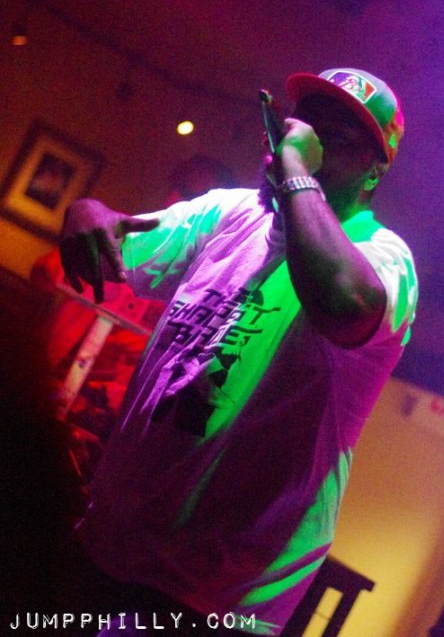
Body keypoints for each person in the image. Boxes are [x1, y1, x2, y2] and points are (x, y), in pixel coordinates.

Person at [59, 67, 418, 636]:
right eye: (304, 123)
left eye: (333, 136)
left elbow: (344, 304)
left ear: (375, 171)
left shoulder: (382, 257)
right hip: (113, 543)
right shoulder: (230, 211)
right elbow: (118, 246)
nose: (306, 139)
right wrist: (85, 212)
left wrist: (297, 171)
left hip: (218, 591)